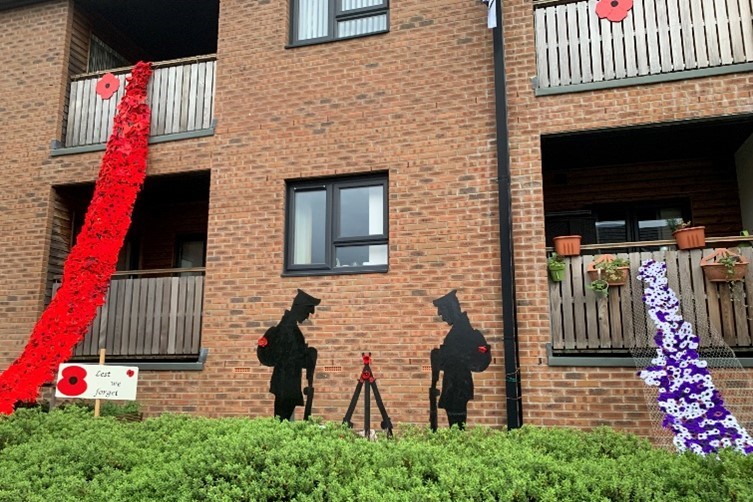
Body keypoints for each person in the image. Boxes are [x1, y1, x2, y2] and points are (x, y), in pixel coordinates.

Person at [430, 290, 491, 429]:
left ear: (451, 308)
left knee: (456, 425)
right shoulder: (461, 330)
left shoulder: (462, 331)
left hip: (457, 387)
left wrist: (442, 356)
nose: (440, 315)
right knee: (456, 425)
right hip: (455, 386)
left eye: (442, 310)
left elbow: (470, 356)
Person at [257, 289, 319, 420]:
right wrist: (308, 356)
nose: (307, 316)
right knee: (282, 420)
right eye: (307, 312)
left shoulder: (289, 326)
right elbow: (292, 357)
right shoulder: (288, 329)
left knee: (282, 419)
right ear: (299, 309)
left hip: (286, 383)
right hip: (286, 384)